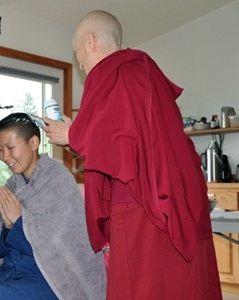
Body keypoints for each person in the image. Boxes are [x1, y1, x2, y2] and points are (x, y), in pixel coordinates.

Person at [44, 10, 222, 300]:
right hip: (182, 194)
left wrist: (71, 136)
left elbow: (119, 148)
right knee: (185, 284)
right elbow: (137, 138)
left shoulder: (109, 72)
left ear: (90, 41)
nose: (80, 63)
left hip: (140, 203)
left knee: (143, 286)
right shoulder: (147, 72)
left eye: (79, 54)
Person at [0, 112, 106, 300]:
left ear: (33, 143)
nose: (5, 157)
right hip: (8, 273)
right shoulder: (13, 184)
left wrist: (18, 222)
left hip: (46, 279)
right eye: (0, 150)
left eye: (10, 147)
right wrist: (8, 228)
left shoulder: (58, 181)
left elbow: (58, 252)